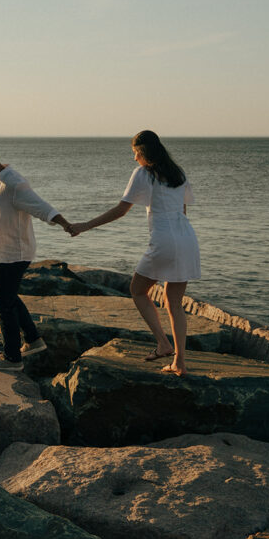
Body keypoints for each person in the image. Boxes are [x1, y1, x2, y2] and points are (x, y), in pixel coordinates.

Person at [69, 130, 200, 376]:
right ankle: (179, 363)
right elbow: (183, 210)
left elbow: (121, 210)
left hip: (164, 240)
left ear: (142, 152)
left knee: (138, 290)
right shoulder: (177, 172)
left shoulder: (143, 173)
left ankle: (163, 343)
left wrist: (85, 225)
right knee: (175, 304)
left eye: (134, 154)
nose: (134, 159)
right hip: (187, 239)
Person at [0, 140, 72, 372]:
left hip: (16, 252)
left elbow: (41, 206)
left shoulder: (15, 183)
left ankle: (12, 357)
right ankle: (33, 340)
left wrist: (66, 224)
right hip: (3, 250)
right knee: (9, 297)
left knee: (2, 303)